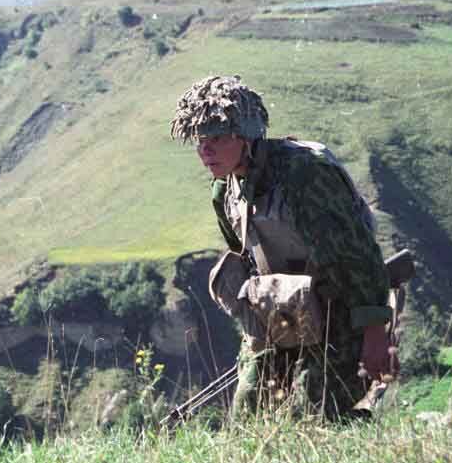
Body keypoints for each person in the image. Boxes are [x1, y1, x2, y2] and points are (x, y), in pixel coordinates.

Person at [170, 75, 396, 420]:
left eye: (217, 138)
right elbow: (249, 264)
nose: (205, 150)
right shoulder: (226, 192)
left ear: (246, 135)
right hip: (279, 318)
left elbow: (357, 255)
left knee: (312, 416)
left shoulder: (304, 174)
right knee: (248, 419)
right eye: (199, 140)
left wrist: (375, 332)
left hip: (340, 316)